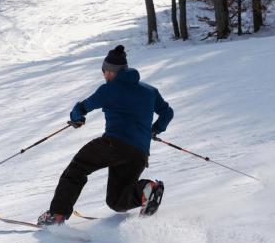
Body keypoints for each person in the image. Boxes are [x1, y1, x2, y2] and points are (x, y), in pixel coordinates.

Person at [38, 45, 174, 226]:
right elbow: (167, 113)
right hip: (139, 154)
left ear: (110, 71)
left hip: (114, 144)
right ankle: (147, 189)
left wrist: (77, 118)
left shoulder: (108, 89)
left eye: (104, 71)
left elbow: (82, 107)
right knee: (116, 201)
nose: (104, 75)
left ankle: (57, 215)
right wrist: (155, 129)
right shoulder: (150, 91)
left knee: (78, 168)